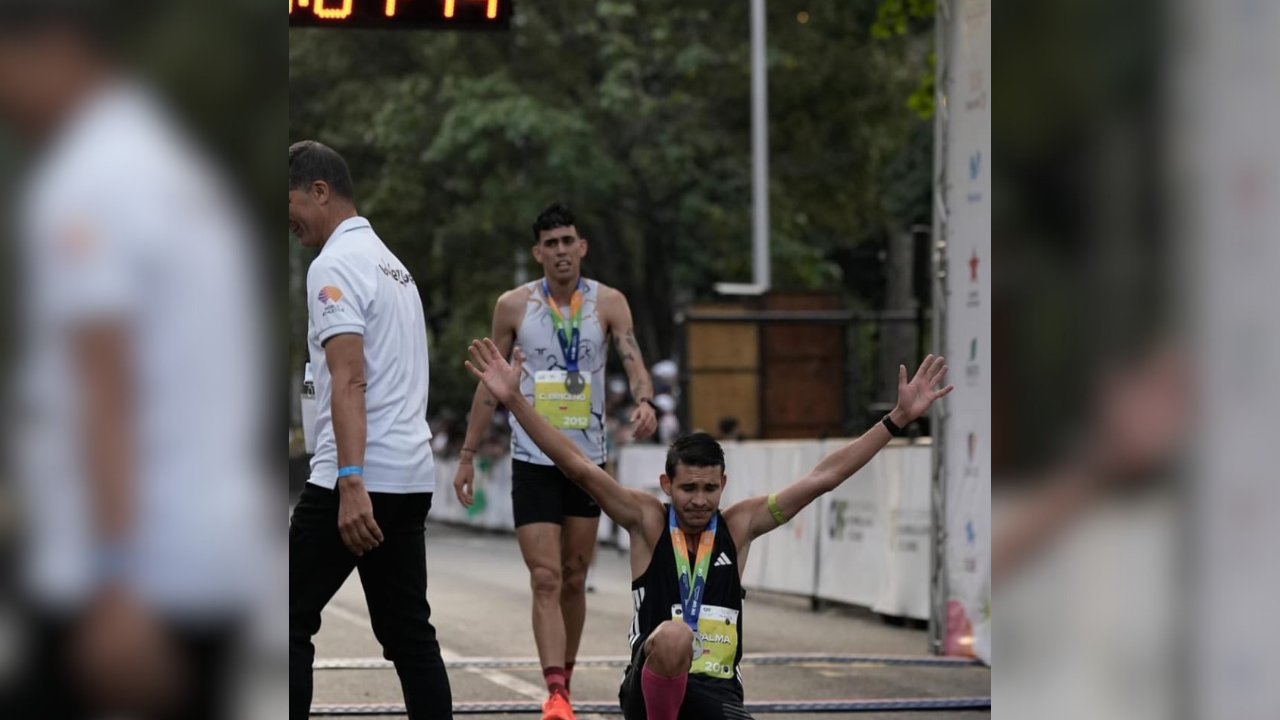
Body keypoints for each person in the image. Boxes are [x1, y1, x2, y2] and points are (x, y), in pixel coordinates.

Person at [1, 5, 270, 718]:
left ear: (51, 47)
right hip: (200, 557)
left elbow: (105, 386)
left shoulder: (88, 181)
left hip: (121, 578)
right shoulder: (172, 166)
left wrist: (116, 583)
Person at [465, 338, 952, 720]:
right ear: (666, 485)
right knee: (676, 636)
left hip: (716, 695)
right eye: (688, 489)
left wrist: (895, 421)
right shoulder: (646, 520)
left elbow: (824, 478)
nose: (699, 501)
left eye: (709, 489)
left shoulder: (740, 526)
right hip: (648, 688)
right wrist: (514, 401)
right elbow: (577, 465)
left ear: (723, 485)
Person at [453, 202, 658, 720]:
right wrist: (467, 453)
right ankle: (556, 692)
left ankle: (564, 675)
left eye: (569, 241)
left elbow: (631, 353)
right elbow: (490, 383)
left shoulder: (608, 303)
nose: (562, 251)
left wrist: (645, 398)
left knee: (573, 574)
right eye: (552, 243)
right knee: (544, 577)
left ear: (581, 246)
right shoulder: (513, 306)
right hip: (531, 456)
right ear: (537, 252)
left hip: (588, 462)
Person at [288, 141, 452, 720]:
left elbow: (350, 378)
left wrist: (351, 481)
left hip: (354, 479)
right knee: (410, 636)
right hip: (408, 477)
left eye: (290, 205)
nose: (288, 223)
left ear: (319, 190)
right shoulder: (394, 267)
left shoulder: (332, 264)